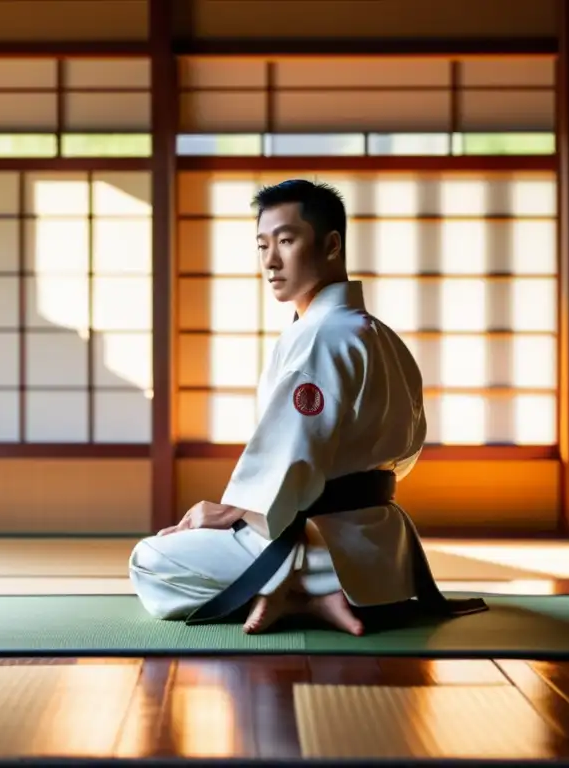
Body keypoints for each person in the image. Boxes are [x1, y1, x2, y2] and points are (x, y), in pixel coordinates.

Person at [129, 179, 480, 635]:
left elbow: (294, 456)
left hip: (322, 545)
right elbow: (404, 456)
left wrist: (233, 511)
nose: (271, 261)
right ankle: (313, 591)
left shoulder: (321, 337)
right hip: (384, 548)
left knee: (150, 559)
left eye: (287, 241)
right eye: (262, 246)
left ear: (332, 244)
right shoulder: (382, 336)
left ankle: (299, 595)